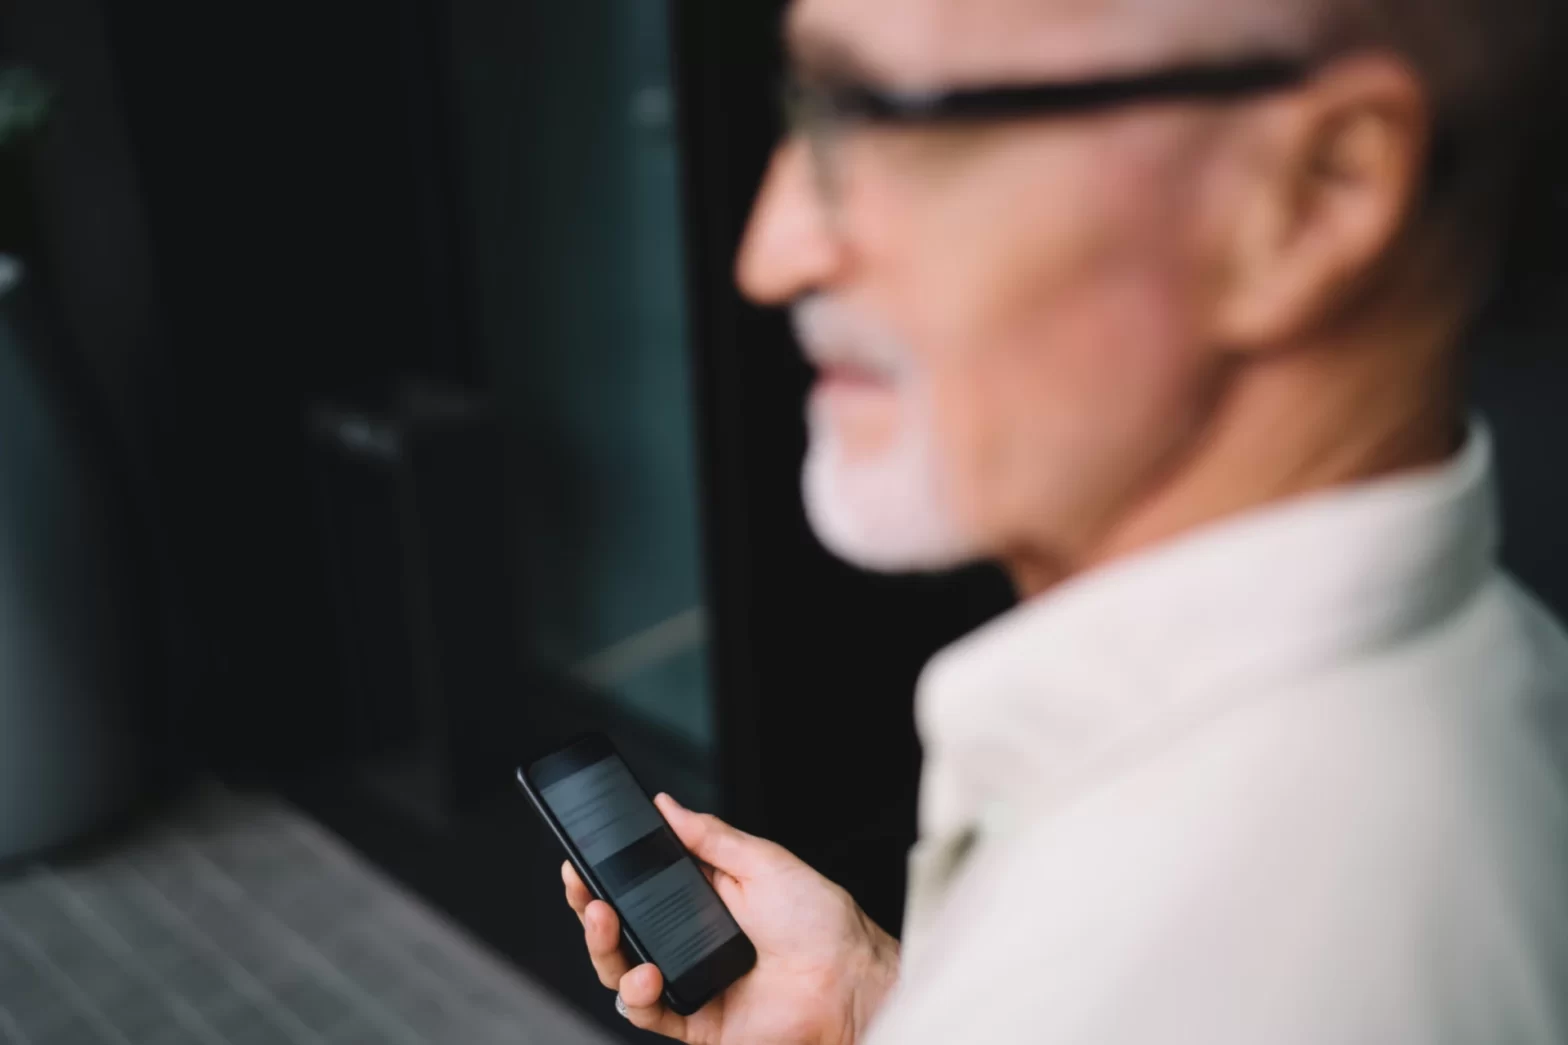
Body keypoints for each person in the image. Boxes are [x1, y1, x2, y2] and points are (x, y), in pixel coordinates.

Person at [564, 0, 1568, 1039]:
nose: (772, 254)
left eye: (891, 117)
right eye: (810, 113)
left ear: (1319, 190)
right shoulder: (1507, 678)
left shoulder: (1152, 974)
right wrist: (879, 1011)